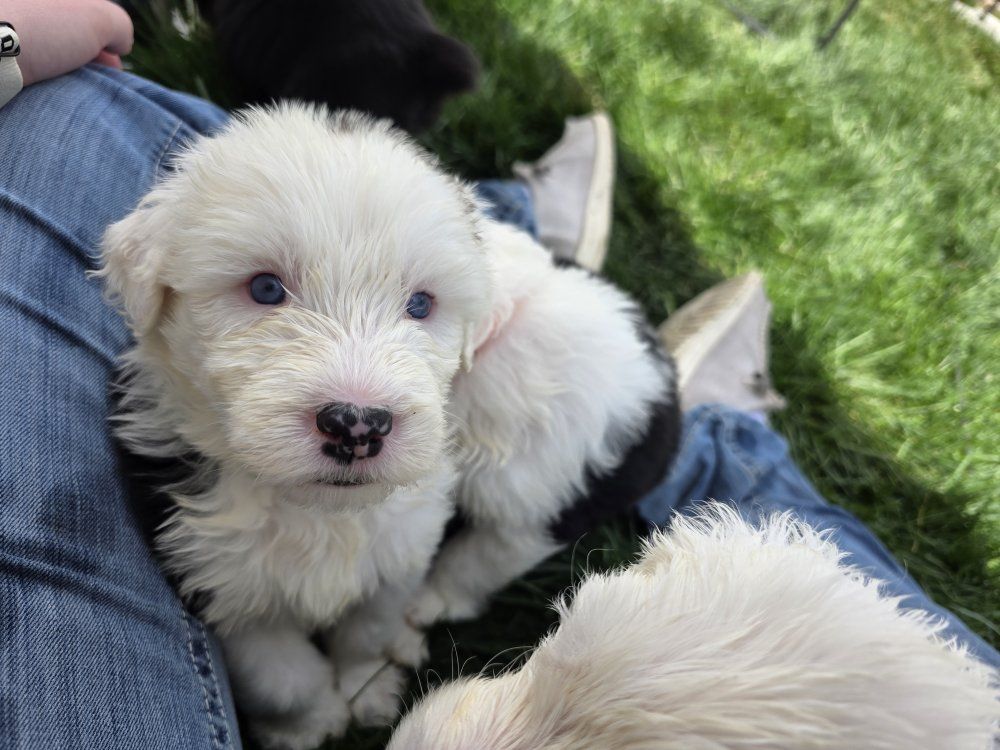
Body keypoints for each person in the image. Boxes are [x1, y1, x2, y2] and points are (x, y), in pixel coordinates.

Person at [0, 2, 995, 748]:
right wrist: (297, 695)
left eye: (421, 308)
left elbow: (400, 563)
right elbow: (237, 617)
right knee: (262, 639)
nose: (359, 392)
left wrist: (371, 642)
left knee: (389, 567)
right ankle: (636, 348)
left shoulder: (418, 467)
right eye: (266, 288)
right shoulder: (169, 414)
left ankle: (574, 300)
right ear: (150, 286)